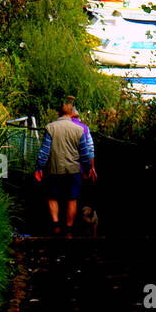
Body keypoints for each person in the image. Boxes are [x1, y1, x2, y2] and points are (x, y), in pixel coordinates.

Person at [34, 98, 96, 236]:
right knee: (71, 199)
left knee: (52, 197)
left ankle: (56, 224)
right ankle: (69, 228)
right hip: (73, 170)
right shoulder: (79, 130)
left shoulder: (50, 127)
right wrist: (87, 168)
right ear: (72, 114)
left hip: (54, 169)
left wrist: (39, 167)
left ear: (58, 113)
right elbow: (84, 153)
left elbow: (44, 151)